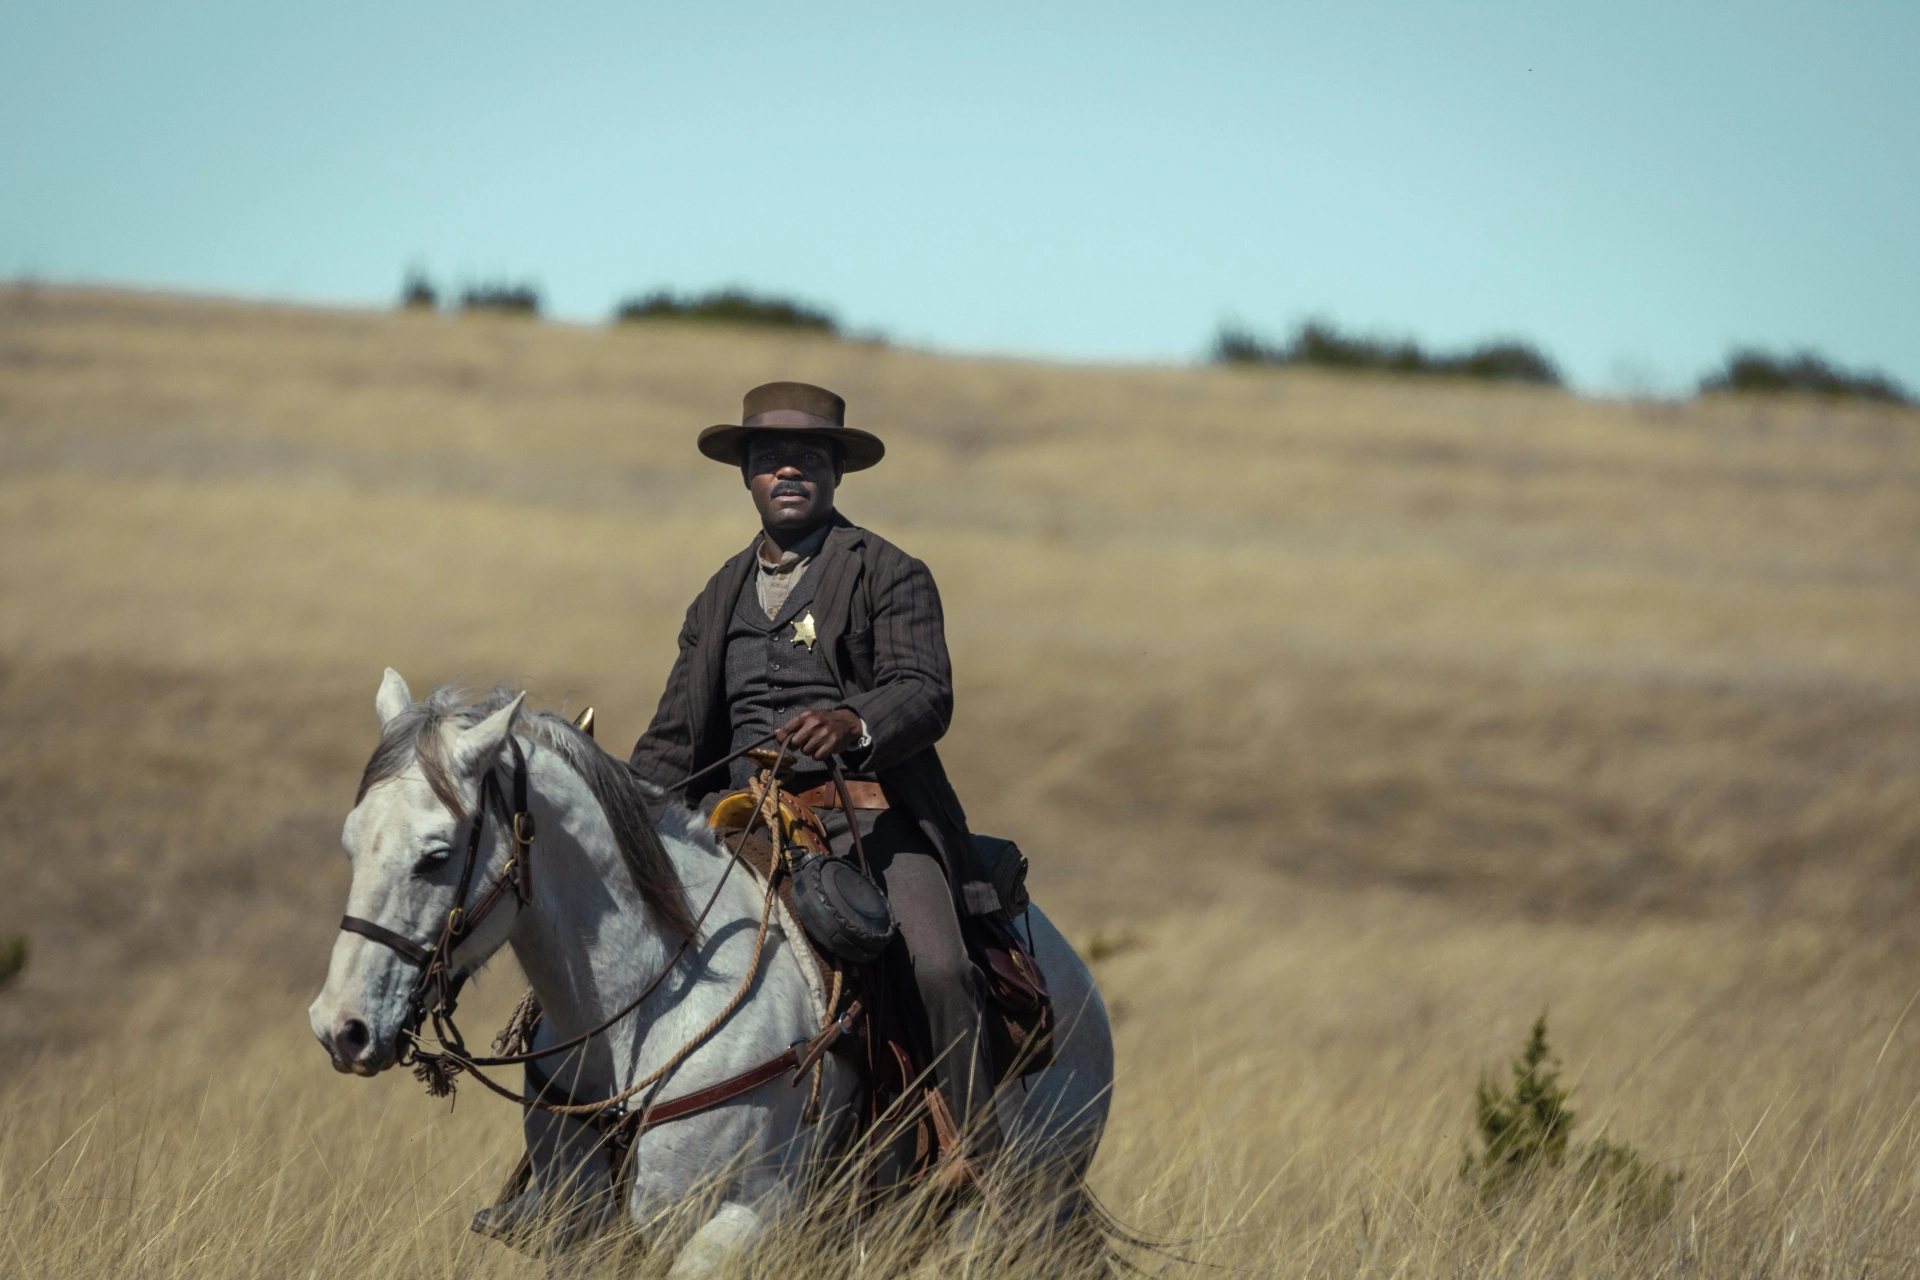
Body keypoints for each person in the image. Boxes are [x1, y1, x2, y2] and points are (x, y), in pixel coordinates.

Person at [630, 380, 1005, 1166]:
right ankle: (567, 1167)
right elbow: (672, 737)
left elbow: (925, 693)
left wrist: (853, 722)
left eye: (807, 457)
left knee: (939, 967)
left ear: (837, 472)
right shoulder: (715, 597)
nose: (788, 471)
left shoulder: (889, 570)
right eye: (770, 457)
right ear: (747, 475)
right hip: (733, 823)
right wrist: (625, 815)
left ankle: (977, 1154)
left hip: (866, 819)